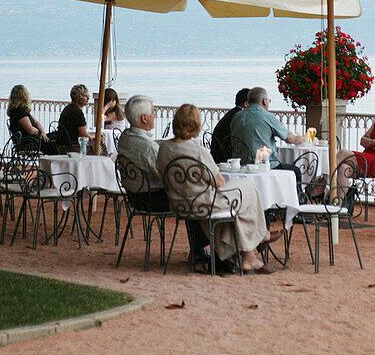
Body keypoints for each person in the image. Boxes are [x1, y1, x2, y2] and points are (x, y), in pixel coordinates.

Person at [156, 103, 282, 274]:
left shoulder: (163, 148)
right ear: (196, 125)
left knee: (238, 205)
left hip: (180, 204)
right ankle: (261, 237)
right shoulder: (197, 151)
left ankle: (249, 257)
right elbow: (219, 183)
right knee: (247, 188)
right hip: (204, 204)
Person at [118, 96, 210, 266]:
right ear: (144, 118)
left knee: (192, 195)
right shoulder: (147, 147)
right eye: (153, 112)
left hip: (135, 196)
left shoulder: (126, 137)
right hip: (152, 199)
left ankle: (199, 249)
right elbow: (167, 177)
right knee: (194, 197)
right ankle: (199, 250)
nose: (155, 115)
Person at [230, 86, 305, 180]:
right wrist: (299, 139)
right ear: (264, 101)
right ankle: (297, 195)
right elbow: (289, 138)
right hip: (264, 166)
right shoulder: (266, 116)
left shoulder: (236, 117)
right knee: (296, 171)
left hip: (241, 165)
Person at [6, 84, 57, 154]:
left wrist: (43, 132)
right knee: (55, 143)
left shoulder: (23, 111)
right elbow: (31, 130)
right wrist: (40, 134)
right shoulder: (18, 112)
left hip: (34, 139)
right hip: (28, 143)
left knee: (56, 135)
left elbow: (37, 123)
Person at [209, 88, 250, 164]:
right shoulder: (240, 117)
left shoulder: (231, 114)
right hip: (226, 158)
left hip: (216, 154)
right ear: (246, 104)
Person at [55, 83, 94, 152]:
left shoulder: (68, 108)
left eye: (88, 96)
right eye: (85, 96)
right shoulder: (77, 113)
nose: (88, 98)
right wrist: (95, 137)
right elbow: (84, 135)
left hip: (60, 144)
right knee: (99, 146)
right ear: (78, 97)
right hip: (71, 147)